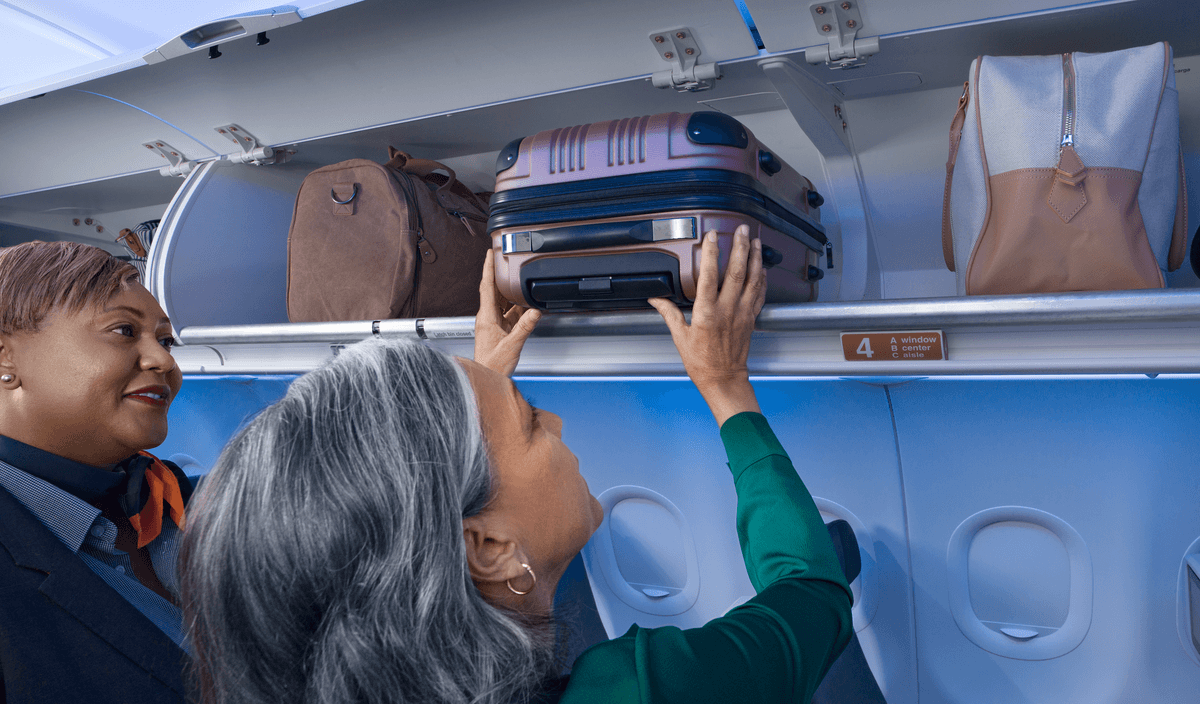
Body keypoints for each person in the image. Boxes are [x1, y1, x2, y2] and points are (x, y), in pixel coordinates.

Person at [180, 226, 853, 704]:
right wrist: (726, 386)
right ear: (491, 548)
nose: (556, 423)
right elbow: (813, 596)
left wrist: (475, 399)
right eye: (532, 422)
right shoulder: (641, 690)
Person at [0, 241, 193, 704]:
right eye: (124, 330)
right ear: (5, 357)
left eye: (165, 340)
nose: (164, 361)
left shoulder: (189, 501)